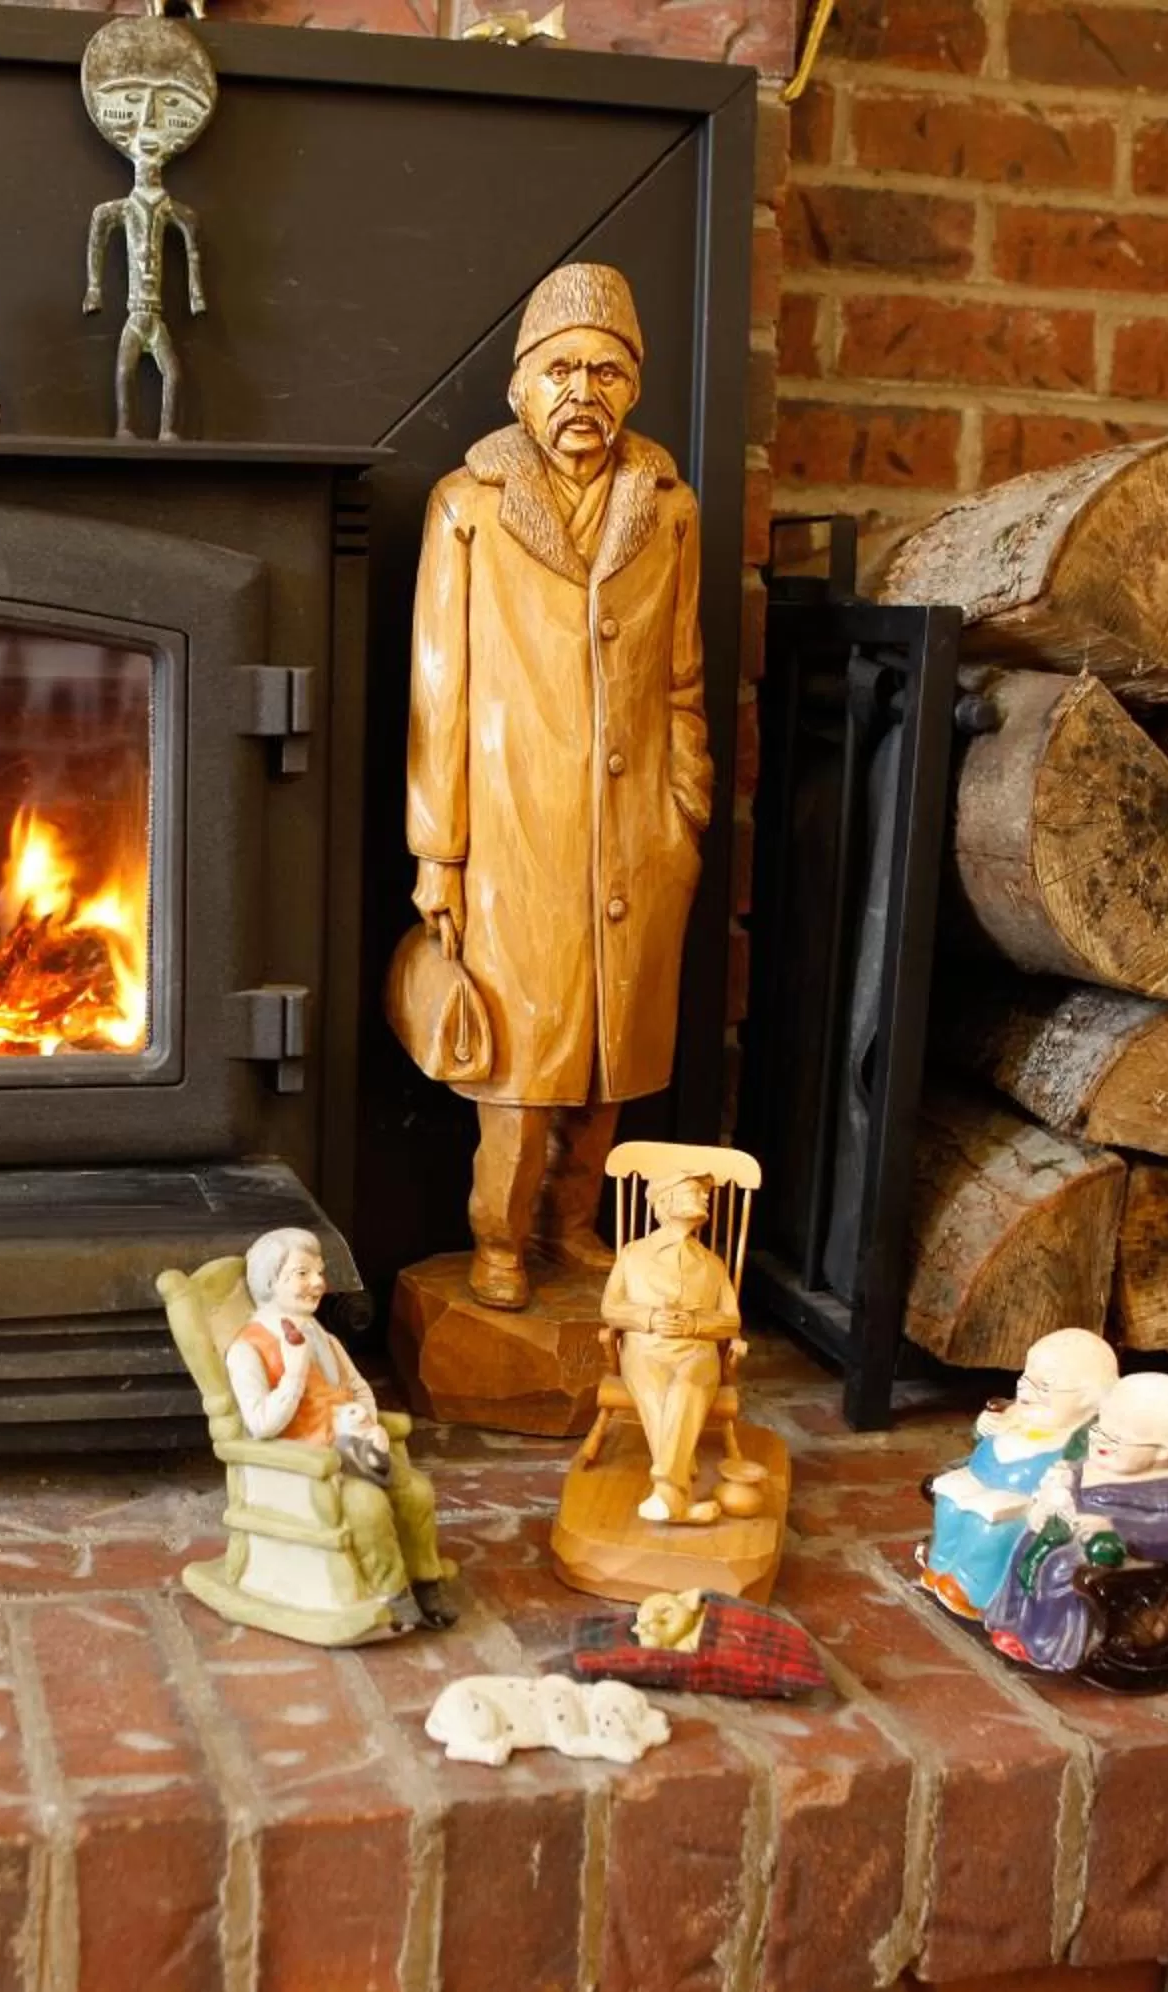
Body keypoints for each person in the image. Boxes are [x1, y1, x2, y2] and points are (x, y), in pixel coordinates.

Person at [402, 262, 711, 1310]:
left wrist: (688, 806)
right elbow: (437, 694)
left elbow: (681, 671)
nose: (585, 391)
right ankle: (499, 1232)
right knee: (522, 1060)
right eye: (563, 369)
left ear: (633, 389)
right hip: (512, 837)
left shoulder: (668, 509)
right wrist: (439, 854)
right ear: (521, 386)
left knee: (609, 1056)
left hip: (638, 834)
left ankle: (572, 1222)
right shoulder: (469, 507)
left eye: (608, 371)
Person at [224, 1226, 454, 1629]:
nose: (318, 1283)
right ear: (270, 1281)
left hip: (352, 1448)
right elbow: (260, 1424)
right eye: (302, 1273)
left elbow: (359, 1387)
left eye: (319, 1271)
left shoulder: (320, 1335)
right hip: (305, 1466)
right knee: (367, 1505)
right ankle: (391, 1591)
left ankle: (426, 1581)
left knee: (415, 1491)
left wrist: (369, 1420)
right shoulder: (248, 1348)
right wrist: (293, 1374)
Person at [983, 1373, 1168, 1673]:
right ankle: (1014, 1620)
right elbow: (1071, 1486)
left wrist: (1114, 1530)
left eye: (1115, 1439)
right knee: (1025, 1544)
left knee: (1060, 1569)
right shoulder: (1100, 1465)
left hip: (1124, 1557)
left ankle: (1047, 1642)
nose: (1098, 1440)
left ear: (1162, 1452)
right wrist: (1057, 1491)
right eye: (1099, 1428)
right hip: (1075, 1532)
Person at [919, 1327, 1121, 1621]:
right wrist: (985, 1424)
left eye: (1045, 1387)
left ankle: (971, 1587)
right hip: (978, 1480)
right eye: (1026, 1378)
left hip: (1020, 1500)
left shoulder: (1081, 1439)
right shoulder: (1017, 1415)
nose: (1027, 1391)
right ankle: (940, 1563)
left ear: (1089, 1399)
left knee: (989, 1531)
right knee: (949, 1508)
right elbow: (983, 1433)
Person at [603, 1168, 743, 1524]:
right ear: (664, 1202)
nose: (705, 1197)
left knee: (686, 1387)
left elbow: (732, 1320)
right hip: (644, 1347)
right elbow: (610, 1308)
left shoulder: (712, 1264)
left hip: (696, 1350)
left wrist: (696, 1323)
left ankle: (668, 1493)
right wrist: (648, 1318)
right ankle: (676, 1497)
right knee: (654, 1389)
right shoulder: (633, 1255)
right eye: (694, 1191)